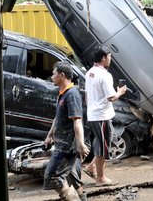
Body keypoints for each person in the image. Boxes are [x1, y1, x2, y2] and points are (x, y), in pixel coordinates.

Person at [43, 61, 89, 201]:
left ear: (62, 75)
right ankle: (81, 198)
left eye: (54, 74)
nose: (51, 76)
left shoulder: (72, 95)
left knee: (51, 176)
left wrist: (80, 143)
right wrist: (49, 136)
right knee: (71, 175)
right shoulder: (63, 93)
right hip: (62, 143)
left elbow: (77, 120)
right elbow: (58, 117)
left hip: (67, 146)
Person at [82, 45, 127, 187]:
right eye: (109, 56)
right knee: (102, 147)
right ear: (103, 58)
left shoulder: (89, 73)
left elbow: (87, 96)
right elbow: (111, 98)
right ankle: (100, 179)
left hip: (94, 114)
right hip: (101, 116)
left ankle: (91, 167)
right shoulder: (105, 75)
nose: (110, 59)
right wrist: (120, 91)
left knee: (102, 143)